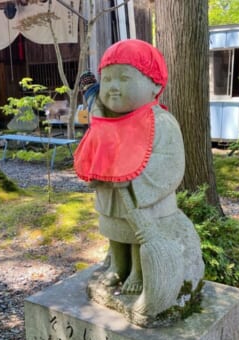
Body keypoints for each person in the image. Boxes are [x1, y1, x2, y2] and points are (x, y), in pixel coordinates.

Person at [74, 39, 203, 302]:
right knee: (114, 231)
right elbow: (93, 150)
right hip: (110, 194)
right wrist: (98, 171)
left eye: (123, 79)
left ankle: (138, 271)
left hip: (144, 200)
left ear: (155, 84)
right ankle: (117, 265)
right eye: (107, 79)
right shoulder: (103, 120)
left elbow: (171, 162)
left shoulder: (160, 122)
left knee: (137, 236)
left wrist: (136, 181)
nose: (113, 87)